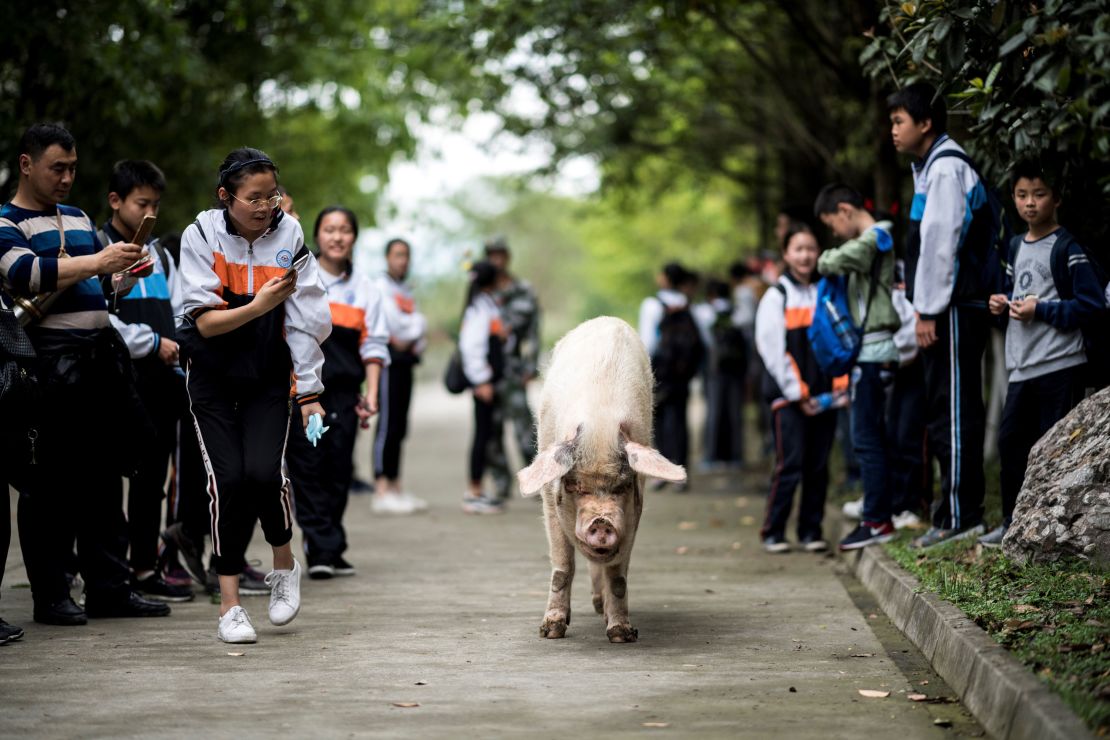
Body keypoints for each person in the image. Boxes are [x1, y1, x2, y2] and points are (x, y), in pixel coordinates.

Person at [0, 123, 170, 624]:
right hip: (47, 368)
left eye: (73, 168)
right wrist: (97, 260)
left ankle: (110, 589)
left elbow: (91, 287)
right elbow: (24, 275)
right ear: (27, 164)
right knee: (51, 488)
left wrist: (114, 278)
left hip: (98, 364)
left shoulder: (76, 217)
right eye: (58, 168)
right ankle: (51, 595)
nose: (67, 178)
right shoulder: (6, 222)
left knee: (103, 483)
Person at [177, 147, 331, 643]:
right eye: (253, 198)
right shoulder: (200, 235)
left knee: (264, 473)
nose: (266, 207)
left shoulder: (289, 233)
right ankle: (229, 606)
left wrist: (309, 391)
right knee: (228, 482)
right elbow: (204, 321)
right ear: (226, 197)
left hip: (267, 372)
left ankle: (284, 565)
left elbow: (306, 316)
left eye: (272, 196)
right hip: (212, 374)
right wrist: (260, 304)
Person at [979, 160, 1104, 547]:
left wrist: (1042, 310)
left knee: (1056, 448)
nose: (1030, 203)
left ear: (1056, 198)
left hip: (1061, 364)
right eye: (1021, 195)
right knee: (1011, 443)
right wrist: (1002, 305)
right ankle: (1012, 524)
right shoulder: (1015, 246)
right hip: (1021, 366)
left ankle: (1057, 535)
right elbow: (1017, 296)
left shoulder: (1068, 248)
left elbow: (1093, 305)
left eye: (1039, 194)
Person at [889, 82, 992, 548]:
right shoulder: (931, 168)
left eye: (899, 121)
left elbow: (939, 248)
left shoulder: (947, 169)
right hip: (944, 308)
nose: (892, 130)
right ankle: (953, 511)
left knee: (953, 411)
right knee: (944, 409)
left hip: (951, 308)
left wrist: (927, 310)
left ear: (925, 122)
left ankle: (959, 516)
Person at [97, 160, 193, 602]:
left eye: (156, 204)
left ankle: (143, 568)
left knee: (152, 480)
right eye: (142, 203)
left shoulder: (161, 255)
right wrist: (152, 342)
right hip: (118, 378)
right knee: (107, 479)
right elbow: (100, 319)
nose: (150, 213)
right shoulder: (96, 248)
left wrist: (171, 345)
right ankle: (106, 572)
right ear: (115, 201)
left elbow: (176, 310)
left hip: (161, 381)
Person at [286, 206, 388, 578]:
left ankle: (331, 545)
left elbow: (374, 346)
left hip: (345, 394)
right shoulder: (298, 278)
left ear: (354, 237)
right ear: (318, 235)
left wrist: (371, 394)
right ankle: (322, 549)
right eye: (329, 229)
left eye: (344, 230)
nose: (337, 237)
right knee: (308, 468)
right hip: (302, 393)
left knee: (339, 469)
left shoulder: (366, 289)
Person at [813, 184, 901, 550]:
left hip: (874, 351)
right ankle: (877, 513)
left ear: (846, 211)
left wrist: (825, 257)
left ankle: (878, 520)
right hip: (870, 351)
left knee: (867, 439)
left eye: (833, 223)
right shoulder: (872, 238)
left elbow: (828, 262)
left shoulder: (877, 237)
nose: (834, 233)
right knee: (870, 437)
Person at [755, 223, 846, 553]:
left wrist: (837, 391)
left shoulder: (829, 290)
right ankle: (773, 531)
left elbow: (840, 340)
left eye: (811, 248)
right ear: (786, 254)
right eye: (798, 249)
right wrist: (798, 393)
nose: (806, 255)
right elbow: (773, 351)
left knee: (818, 466)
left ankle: (811, 530)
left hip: (825, 397)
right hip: (788, 397)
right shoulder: (776, 296)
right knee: (789, 464)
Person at [372, 237, 429, 514]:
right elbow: (397, 330)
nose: (402, 260)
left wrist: (413, 328)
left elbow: (415, 330)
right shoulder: (381, 287)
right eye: (397, 254)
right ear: (387, 258)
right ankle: (381, 489)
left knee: (400, 426)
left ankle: (396, 487)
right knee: (388, 425)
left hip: (406, 363)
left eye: (406, 254)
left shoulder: (404, 290)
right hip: (388, 364)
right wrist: (413, 328)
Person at [638, 262, 704, 491]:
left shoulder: (653, 305)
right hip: (682, 373)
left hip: (660, 370)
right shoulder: (688, 305)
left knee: (659, 418)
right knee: (680, 419)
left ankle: (662, 472)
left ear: (665, 278)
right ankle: (681, 471)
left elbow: (648, 340)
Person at [484, 237, 540, 501]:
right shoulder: (481, 289)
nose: (497, 259)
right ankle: (501, 482)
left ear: (508, 256)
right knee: (491, 431)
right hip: (487, 371)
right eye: (491, 254)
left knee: (525, 429)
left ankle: (536, 480)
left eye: (500, 254)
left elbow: (533, 332)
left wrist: (531, 366)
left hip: (514, 370)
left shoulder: (523, 290)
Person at [459, 260, 508, 514]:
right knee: (481, 435)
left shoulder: (486, 304)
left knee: (487, 434)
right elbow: (471, 347)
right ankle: (473, 492)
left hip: (490, 381)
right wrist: (480, 380)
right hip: (484, 384)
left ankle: (479, 488)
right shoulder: (479, 308)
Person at [696, 279, 747, 470]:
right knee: (735, 412)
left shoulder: (705, 313)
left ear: (711, 294)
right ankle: (735, 456)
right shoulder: (739, 313)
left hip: (713, 368)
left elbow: (704, 342)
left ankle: (711, 456)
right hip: (736, 369)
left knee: (714, 411)